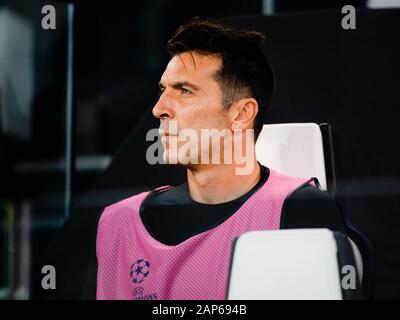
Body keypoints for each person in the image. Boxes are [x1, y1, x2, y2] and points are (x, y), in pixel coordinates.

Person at [96, 18, 347, 300]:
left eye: (184, 90)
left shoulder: (300, 211)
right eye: (163, 90)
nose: (159, 109)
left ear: (241, 114)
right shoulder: (119, 222)